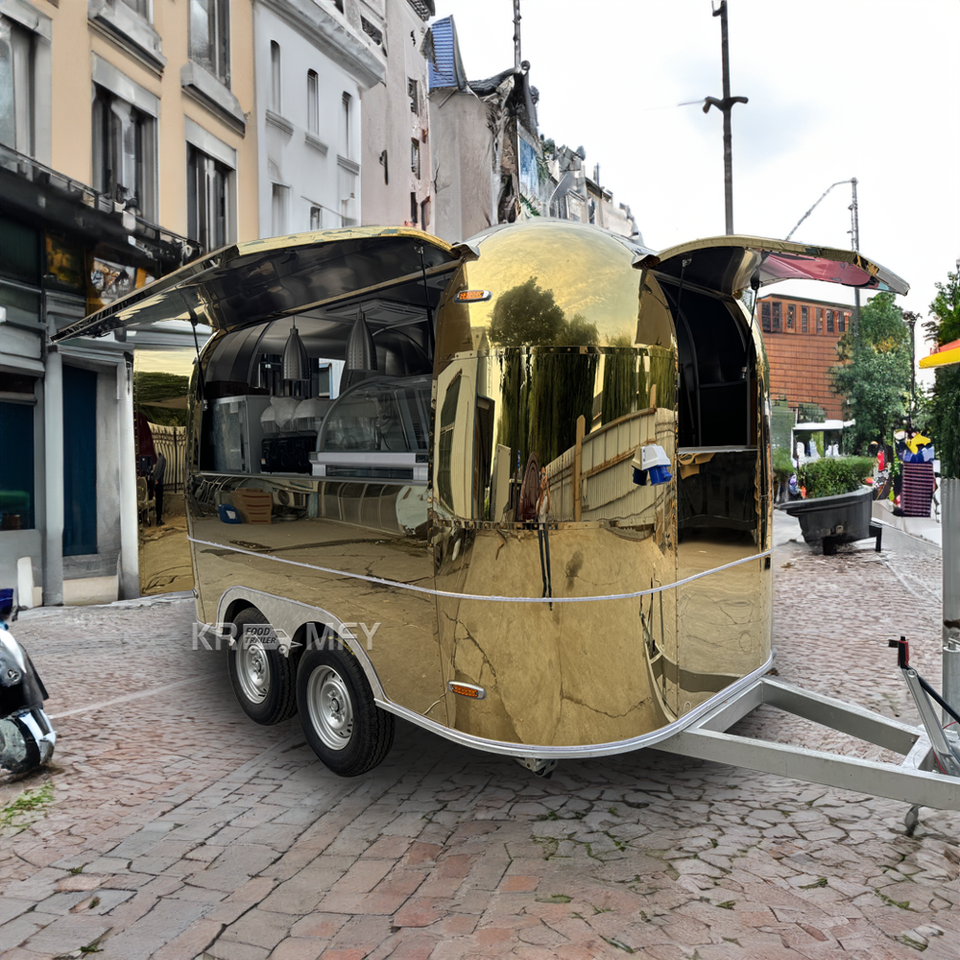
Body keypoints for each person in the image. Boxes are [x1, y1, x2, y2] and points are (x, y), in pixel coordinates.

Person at [152, 453, 167, 525]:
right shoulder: (162, 460)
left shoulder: (159, 460)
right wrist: (157, 479)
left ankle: (158, 519)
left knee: (158, 502)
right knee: (159, 502)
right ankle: (158, 520)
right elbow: (160, 471)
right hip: (159, 483)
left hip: (156, 483)